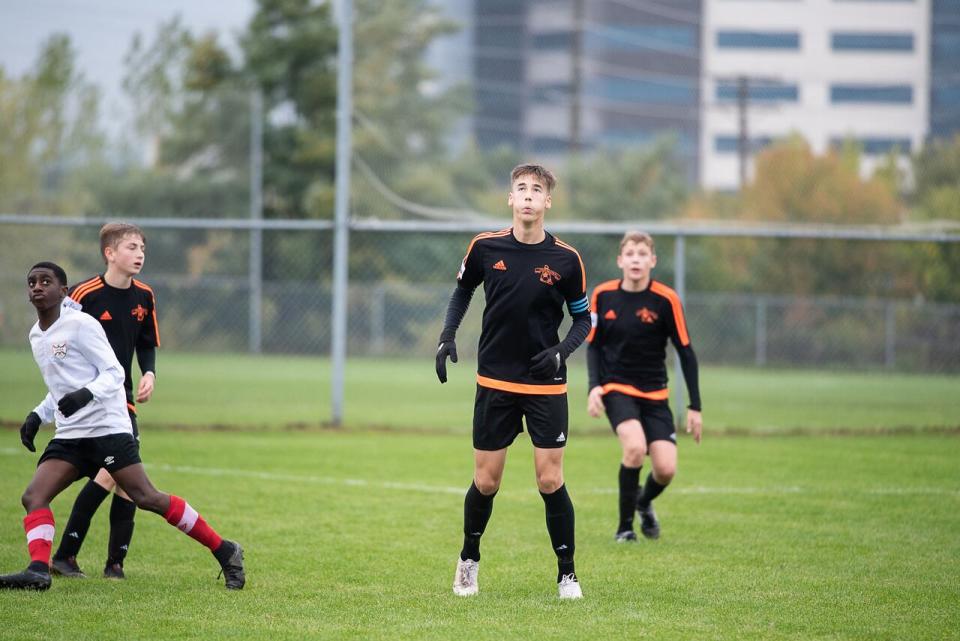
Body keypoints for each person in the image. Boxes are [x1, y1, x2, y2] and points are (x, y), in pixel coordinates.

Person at [0, 262, 244, 591]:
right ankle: (38, 571)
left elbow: (114, 373)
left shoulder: (81, 325)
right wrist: (37, 415)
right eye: (32, 282)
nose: (38, 287)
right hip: (72, 435)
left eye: (46, 281)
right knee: (34, 496)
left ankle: (225, 550)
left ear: (63, 290)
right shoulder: (36, 335)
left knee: (147, 497)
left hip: (108, 429)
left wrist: (86, 395)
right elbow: (60, 386)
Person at [436, 163, 592, 599]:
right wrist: (448, 335)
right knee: (487, 481)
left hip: (546, 385)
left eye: (536, 189)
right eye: (520, 188)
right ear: (510, 199)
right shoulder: (486, 247)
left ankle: (567, 574)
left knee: (549, 480)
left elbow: (584, 319)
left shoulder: (566, 259)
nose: (527, 195)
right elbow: (463, 290)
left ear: (547, 202)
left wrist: (561, 351)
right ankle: (468, 561)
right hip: (496, 382)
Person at [48, 223, 159, 580]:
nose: (139, 253)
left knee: (123, 478)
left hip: (121, 398)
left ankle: (109, 564)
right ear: (110, 253)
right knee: (116, 474)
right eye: (131, 247)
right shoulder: (84, 293)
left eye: (142, 247)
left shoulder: (145, 295)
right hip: (89, 401)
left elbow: (145, 340)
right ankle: (72, 557)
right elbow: (57, 336)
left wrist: (149, 373)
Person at [585, 231, 702, 543]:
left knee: (665, 469)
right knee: (635, 448)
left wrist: (695, 406)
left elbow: (686, 352)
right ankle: (624, 528)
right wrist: (594, 387)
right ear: (620, 260)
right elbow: (593, 346)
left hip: (655, 395)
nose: (636, 259)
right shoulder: (603, 295)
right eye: (630, 253)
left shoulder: (666, 300)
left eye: (642, 254)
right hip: (616, 388)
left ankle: (643, 501)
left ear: (652, 261)